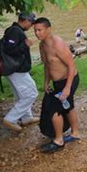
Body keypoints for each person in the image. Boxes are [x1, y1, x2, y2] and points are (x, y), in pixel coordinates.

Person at [34, 18, 80, 153]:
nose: (37, 33)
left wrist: (67, 88)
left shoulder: (58, 44)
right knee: (68, 106)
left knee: (55, 109)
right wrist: (46, 82)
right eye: (35, 31)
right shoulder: (42, 45)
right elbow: (47, 66)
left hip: (69, 80)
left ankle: (59, 140)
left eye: (39, 30)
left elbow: (71, 65)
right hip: (57, 82)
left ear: (48, 29)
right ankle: (75, 133)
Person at [0, 12, 39, 132]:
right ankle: (10, 119)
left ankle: (26, 118)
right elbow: (10, 49)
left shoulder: (14, 30)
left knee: (21, 95)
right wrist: (25, 45)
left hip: (15, 69)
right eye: (31, 23)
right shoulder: (15, 31)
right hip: (16, 70)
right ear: (26, 20)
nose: (32, 26)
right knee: (31, 94)